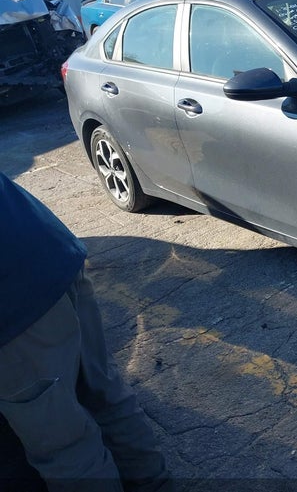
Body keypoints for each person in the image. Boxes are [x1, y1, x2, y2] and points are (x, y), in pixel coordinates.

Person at [0, 171, 172, 492]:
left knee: (63, 443)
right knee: (103, 388)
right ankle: (156, 483)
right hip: (52, 250)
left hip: (13, 308)